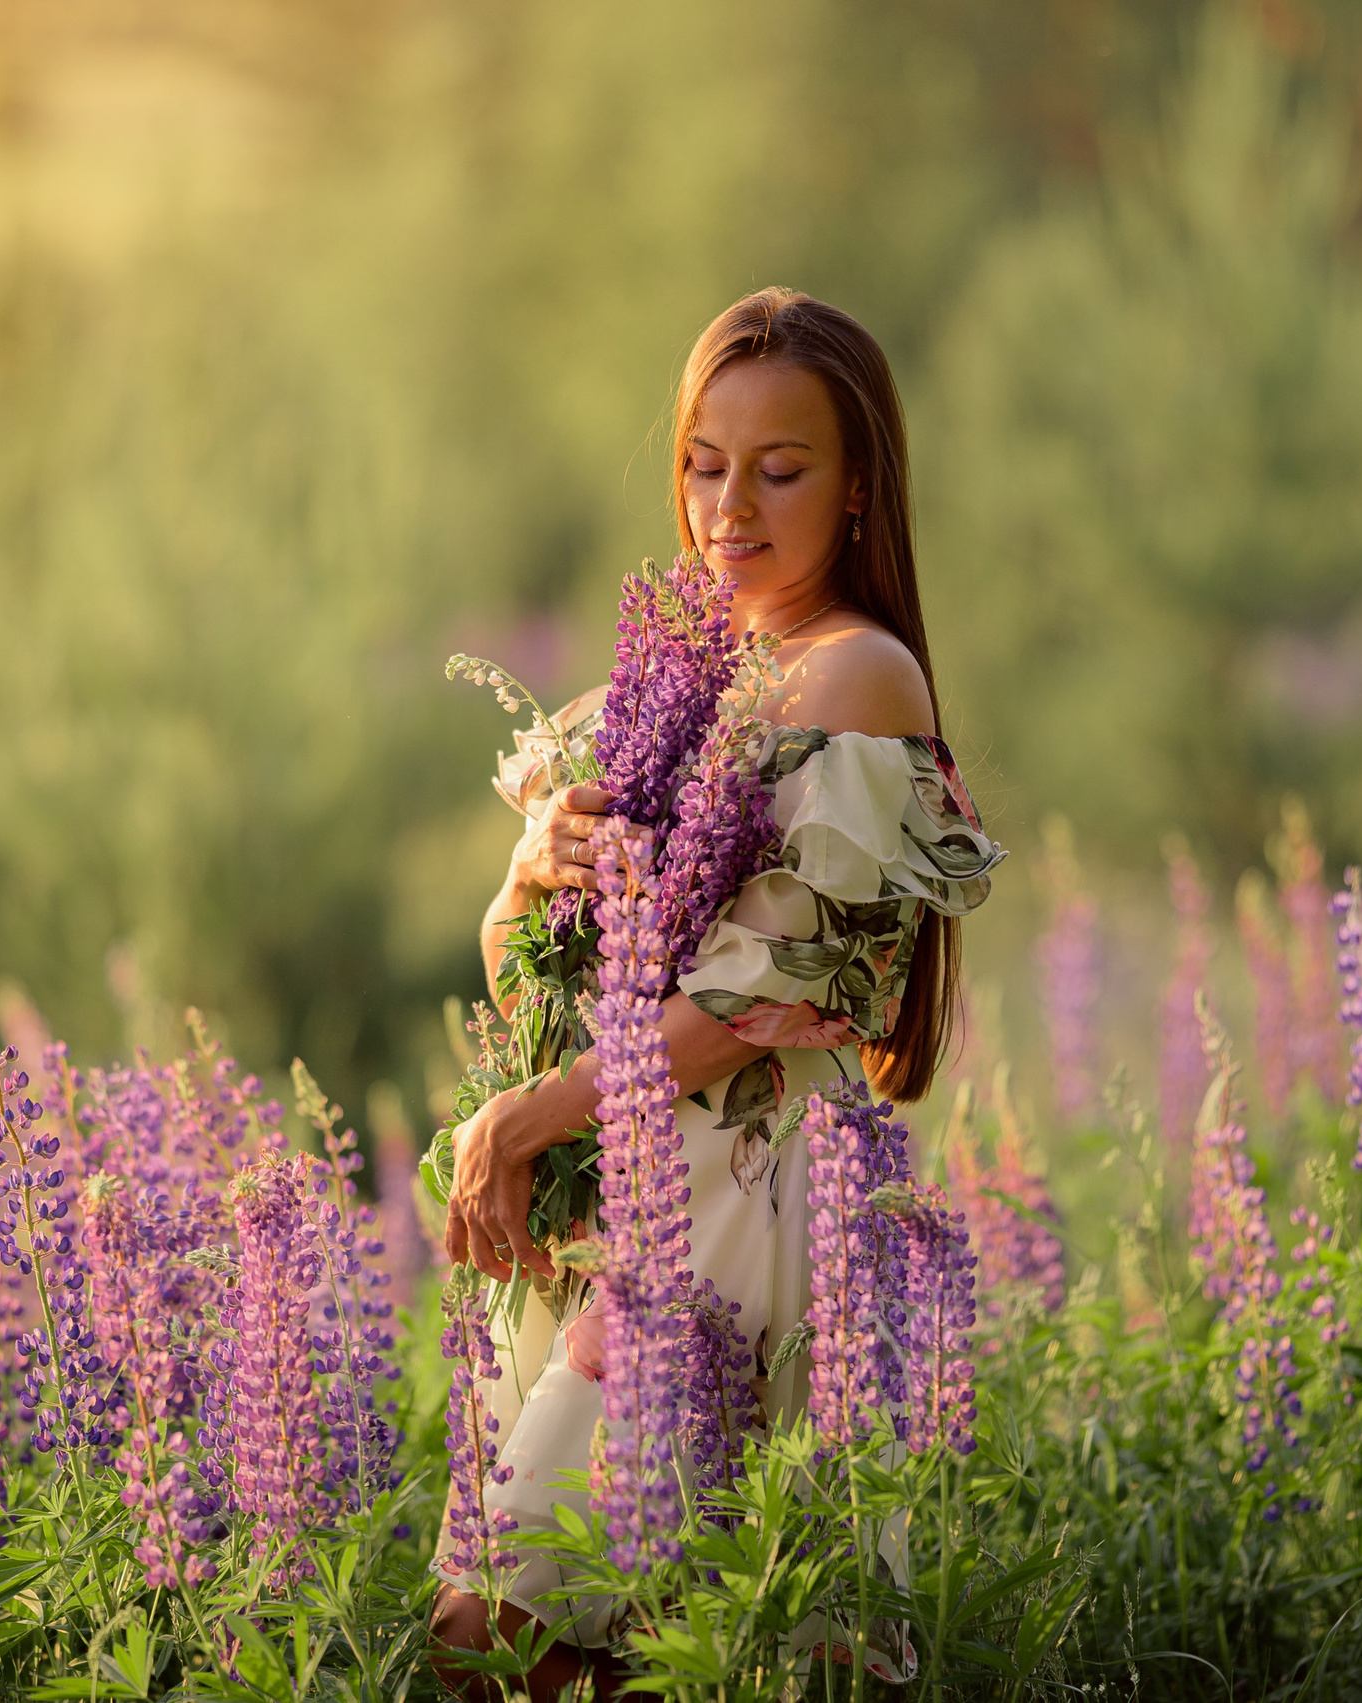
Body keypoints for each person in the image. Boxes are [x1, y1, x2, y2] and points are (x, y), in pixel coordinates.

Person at [427, 287, 1002, 1700]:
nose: (729, 505)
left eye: (781, 468)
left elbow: (764, 997)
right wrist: (527, 876)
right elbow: (532, 991)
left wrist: (526, 1119)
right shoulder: (673, 678)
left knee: (549, 1626)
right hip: (622, 1190)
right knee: (602, 1648)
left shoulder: (858, 674)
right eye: (703, 462)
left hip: (740, 1194)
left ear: (859, 485)